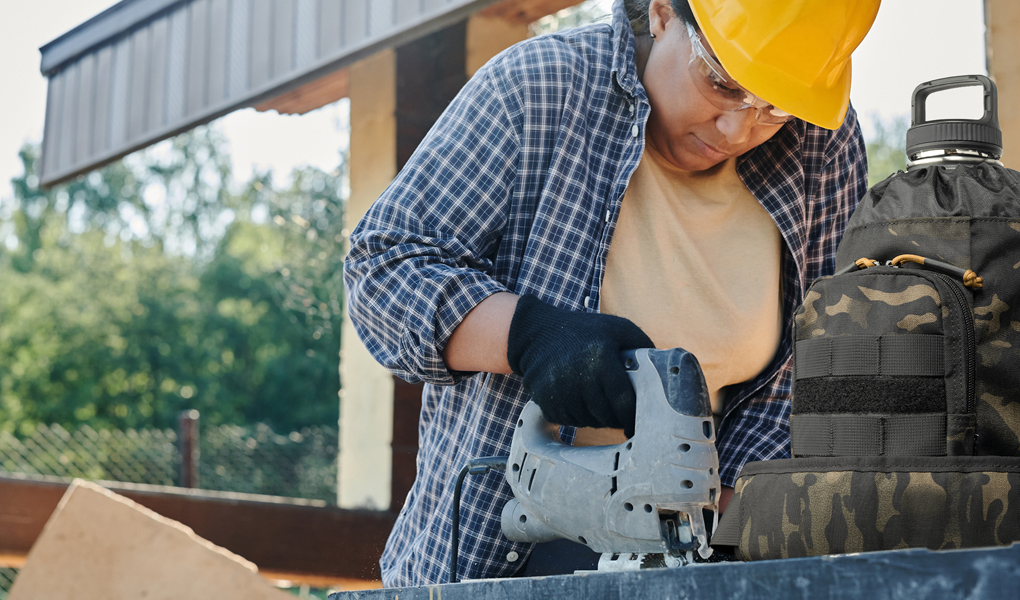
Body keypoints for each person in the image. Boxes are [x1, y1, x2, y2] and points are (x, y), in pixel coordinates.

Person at [344, 0, 879, 586]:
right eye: (722, 83)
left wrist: (714, 519)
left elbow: (815, 364)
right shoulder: (540, 88)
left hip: (700, 559)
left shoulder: (819, 145)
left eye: (772, 106)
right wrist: (530, 338)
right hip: (496, 559)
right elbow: (384, 268)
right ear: (661, 13)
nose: (738, 128)